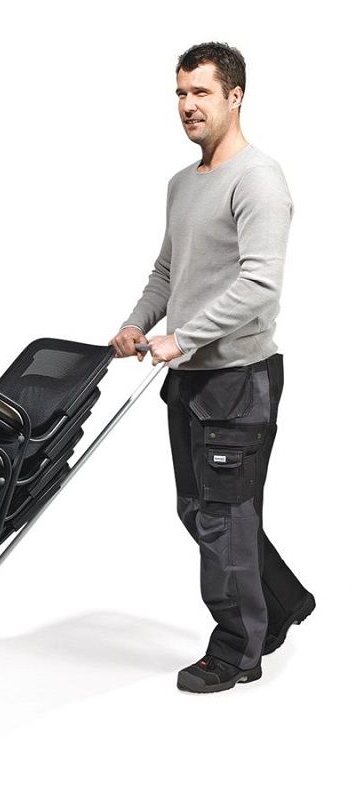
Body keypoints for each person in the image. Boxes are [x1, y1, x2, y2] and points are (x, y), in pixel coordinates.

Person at [109, 42, 315, 693]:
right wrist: (138, 323)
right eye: (180, 92)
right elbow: (168, 271)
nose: (187, 105)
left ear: (235, 96)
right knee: (201, 511)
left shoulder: (258, 179)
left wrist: (182, 337)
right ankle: (282, 602)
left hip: (237, 380)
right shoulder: (182, 183)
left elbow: (259, 285)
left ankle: (236, 653)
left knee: (223, 519)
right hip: (189, 379)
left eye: (201, 92)